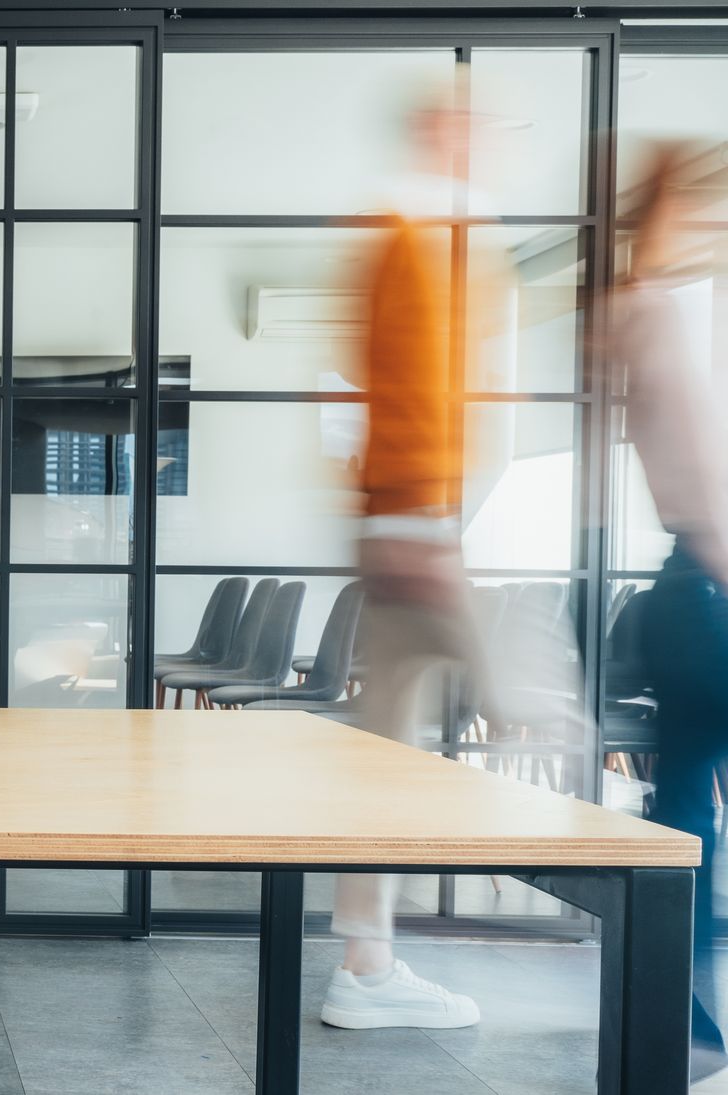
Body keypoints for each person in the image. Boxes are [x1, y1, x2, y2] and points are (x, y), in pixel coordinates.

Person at [318, 80, 496, 1032]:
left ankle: (369, 961)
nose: (480, 142)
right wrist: (418, 520)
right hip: (415, 520)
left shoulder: (435, 234)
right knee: (539, 708)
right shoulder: (412, 236)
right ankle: (368, 963)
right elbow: (400, 388)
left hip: (416, 518)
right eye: (464, 125)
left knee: (391, 748)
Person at [608, 143, 728, 1081]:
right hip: (705, 587)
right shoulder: (661, 314)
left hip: (685, 590)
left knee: (688, 804)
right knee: (689, 809)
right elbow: (704, 491)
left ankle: (679, 1025)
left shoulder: (642, 310)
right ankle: (681, 1024)